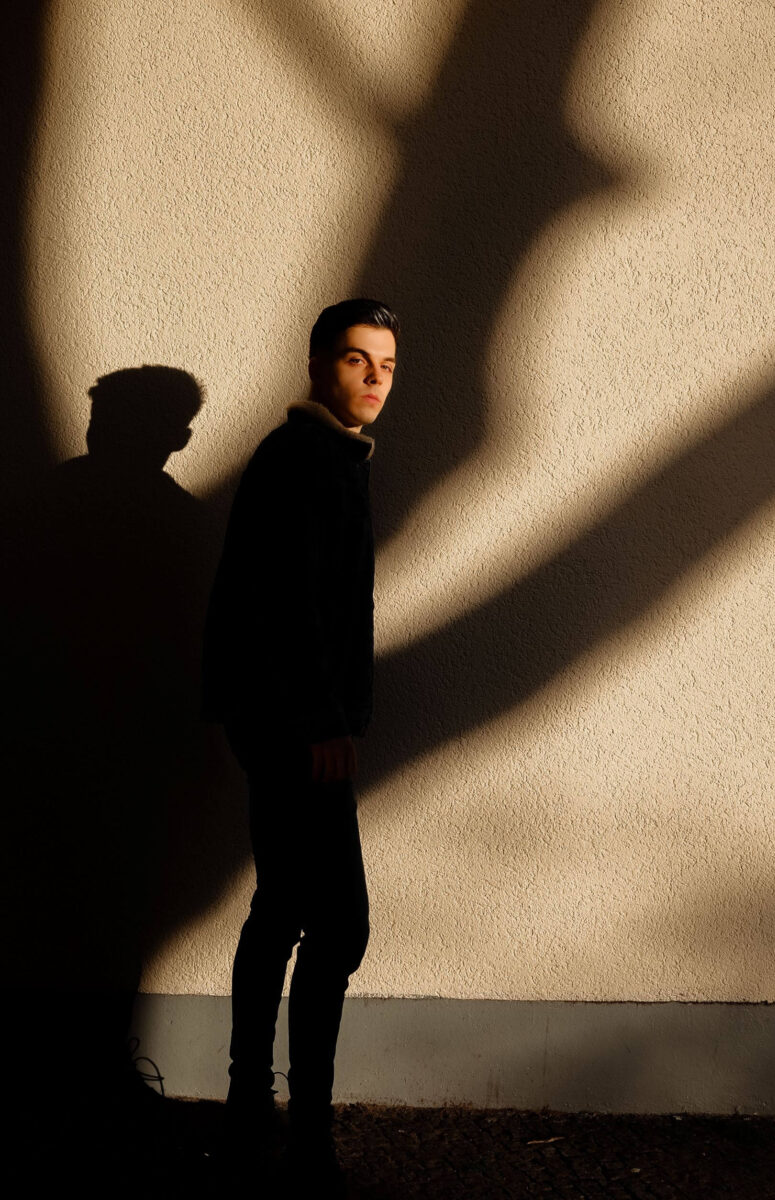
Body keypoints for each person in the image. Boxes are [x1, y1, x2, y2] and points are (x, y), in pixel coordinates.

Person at [203, 297, 399, 1191]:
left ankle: (261, 1117)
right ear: (319, 365)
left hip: (290, 720)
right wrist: (322, 720)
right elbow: (285, 602)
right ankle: (291, 1125)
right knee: (335, 920)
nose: (375, 379)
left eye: (387, 366)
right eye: (359, 361)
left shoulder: (332, 457)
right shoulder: (302, 457)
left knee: (286, 908)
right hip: (293, 726)